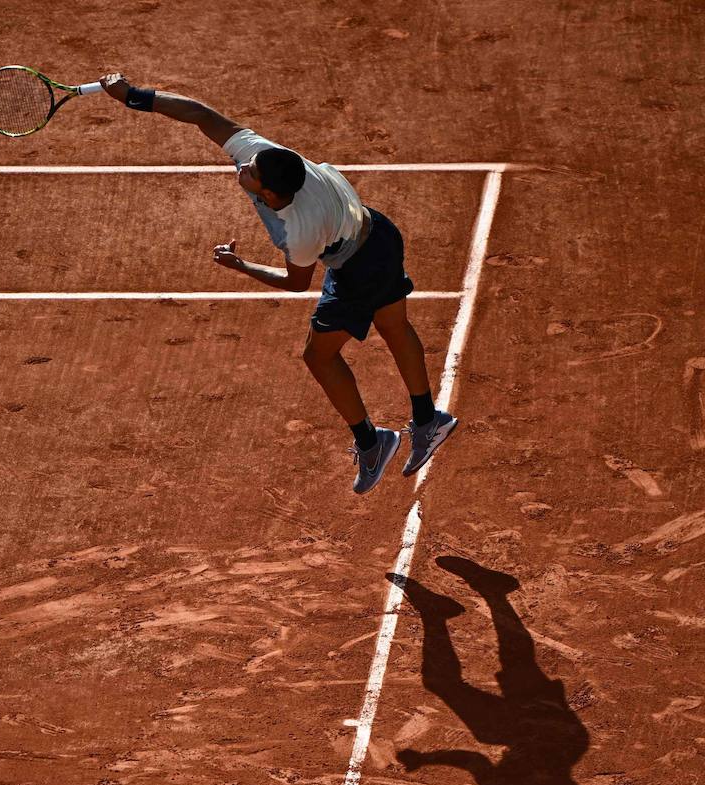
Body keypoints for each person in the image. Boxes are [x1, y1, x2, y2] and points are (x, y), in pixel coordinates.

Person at [98, 73, 458, 494]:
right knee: (394, 324)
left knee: (319, 356)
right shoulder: (273, 158)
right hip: (377, 231)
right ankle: (428, 419)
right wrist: (132, 96)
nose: (243, 167)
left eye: (250, 173)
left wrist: (241, 265)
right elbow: (200, 115)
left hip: (356, 266)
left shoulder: (298, 231)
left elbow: (296, 283)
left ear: (269, 194)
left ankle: (372, 442)